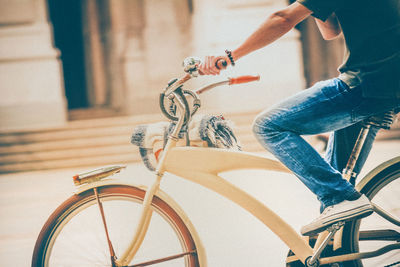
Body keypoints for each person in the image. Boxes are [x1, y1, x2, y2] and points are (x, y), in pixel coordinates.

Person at [199, 0, 400, 236]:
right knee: (337, 181)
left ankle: (341, 199)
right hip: (385, 85)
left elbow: (283, 19)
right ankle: (331, 253)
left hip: (365, 84)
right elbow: (330, 31)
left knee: (268, 126)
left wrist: (229, 57)